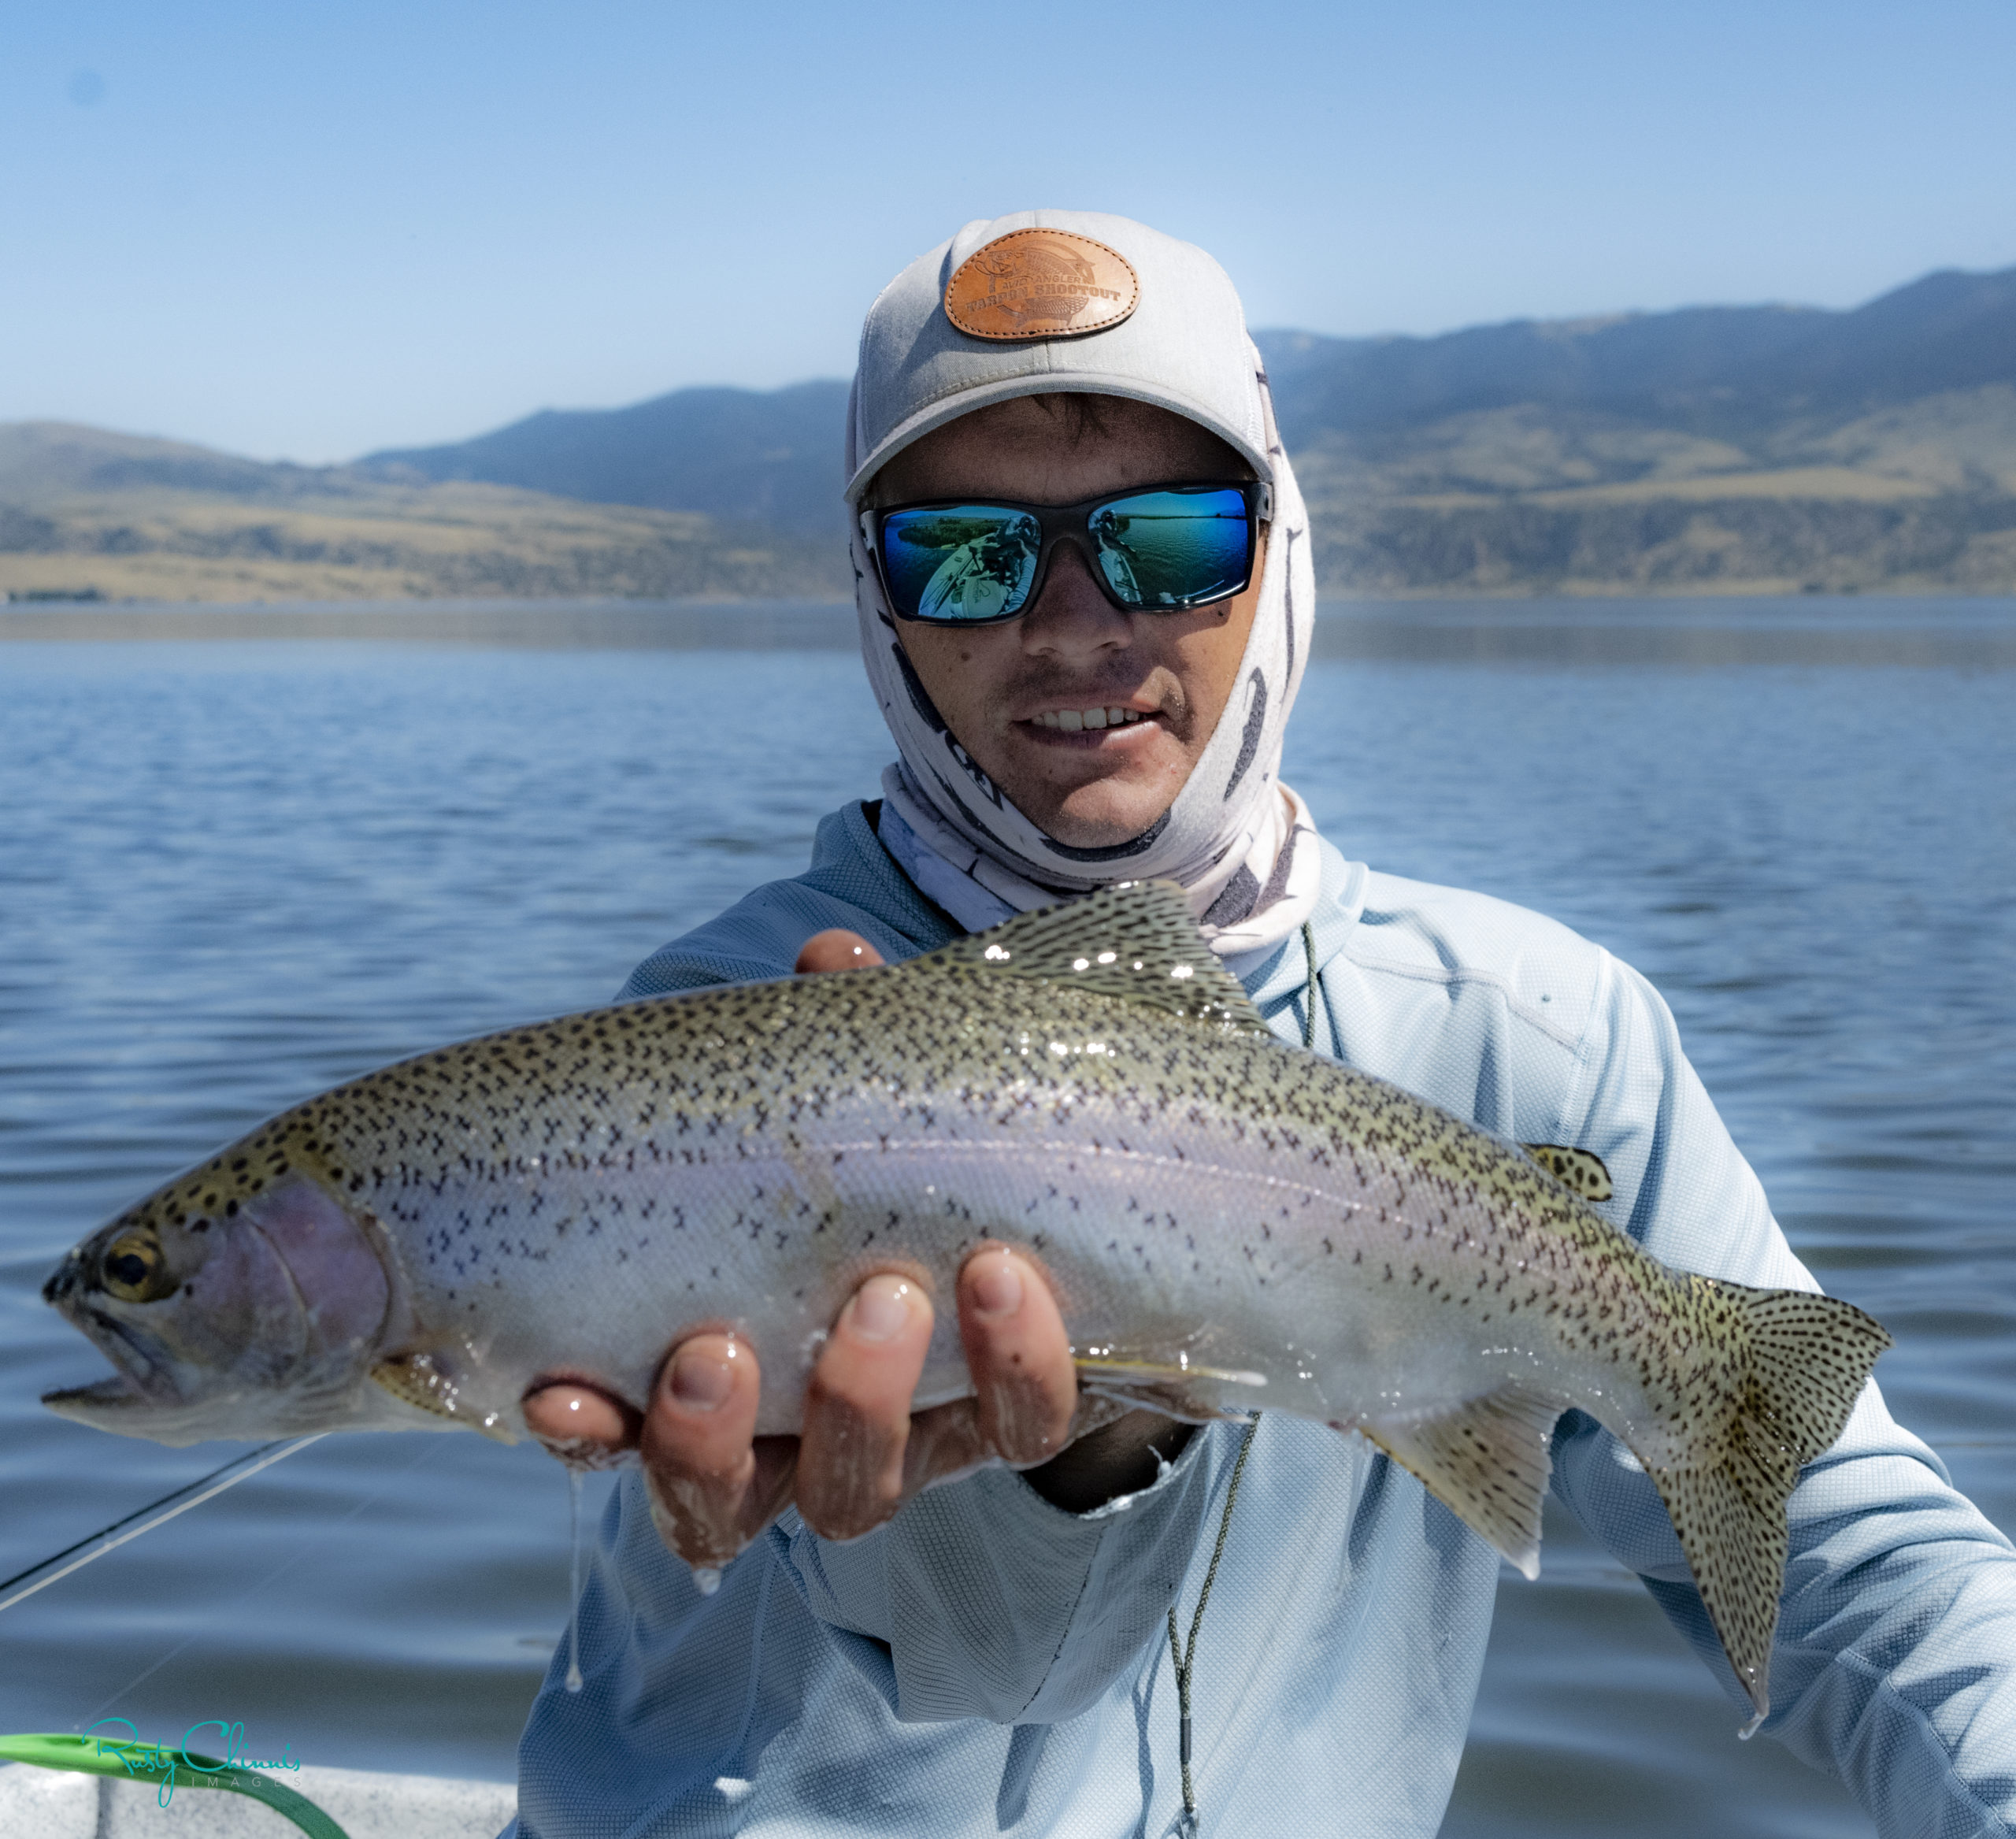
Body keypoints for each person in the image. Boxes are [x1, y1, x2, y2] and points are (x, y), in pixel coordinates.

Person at [503, 211, 2016, 1839]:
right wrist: (1065, 1465)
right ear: (875, 594)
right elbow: (972, 1654)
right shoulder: (702, 1055)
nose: (1076, 622)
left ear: (1280, 543)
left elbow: (1850, 1547)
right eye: (966, 549)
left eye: (1168, 539)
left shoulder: (1540, 1037)